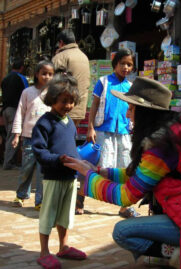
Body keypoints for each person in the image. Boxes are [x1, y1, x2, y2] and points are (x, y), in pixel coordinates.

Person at [63, 77, 181, 268]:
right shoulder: (170, 136)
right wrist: (98, 170)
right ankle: (176, 256)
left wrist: (89, 178)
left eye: (131, 109)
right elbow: (137, 176)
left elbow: (126, 196)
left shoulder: (162, 147)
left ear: (145, 113)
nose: (127, 114)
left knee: (122, 232)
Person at [31, 72, 86, 269]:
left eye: (72, 101)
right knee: (48, 214)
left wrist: (82, 164)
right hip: (53, 177)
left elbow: (71, 148)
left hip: (70, 177)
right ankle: (44, 251)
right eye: (64, 101)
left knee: (65, 214)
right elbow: (39, 151)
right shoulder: (44, 123)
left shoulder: (69, 122)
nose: (68, 106)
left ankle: (63, 246)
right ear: (53, 99)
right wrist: (57, 159)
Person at [76, 48, 139, 218]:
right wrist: (90, 127)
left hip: (124, 133)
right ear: (115, 64)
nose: (126, 67)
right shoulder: (103, 82)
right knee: (98, 167)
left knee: (126, 170)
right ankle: (80, 197)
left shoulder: (131, 87)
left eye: (130, 65)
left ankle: (125, 207)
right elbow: (94, 105)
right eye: (123, 63)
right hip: (103, 131)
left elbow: (133, 110)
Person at [11, 60, 54, 209]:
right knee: (26, 169)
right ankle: (21, 195)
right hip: (29, 138)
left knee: (43, 172)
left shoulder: (53, 94)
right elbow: (20, 114)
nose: (47, 77)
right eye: (44, 73)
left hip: (47, 140)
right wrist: (17, 135)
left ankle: (40, 201)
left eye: (50, 74)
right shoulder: (27, 92)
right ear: (37, 74)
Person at [52, 29, 90, 127]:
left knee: (58, 138)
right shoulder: (84, 56)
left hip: (63, 107)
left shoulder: (60, 56)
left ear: (61, 42)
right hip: (79, 108)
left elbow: (52, 82)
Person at [1, 58, 29, 170]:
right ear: (21, 68)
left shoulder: (5, 78)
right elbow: (27, 93)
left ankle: (10, 161)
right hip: (15, 111)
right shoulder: (21, 78)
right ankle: (8, 163)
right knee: (12, 137)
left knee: (9, 136)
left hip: (5, 110)